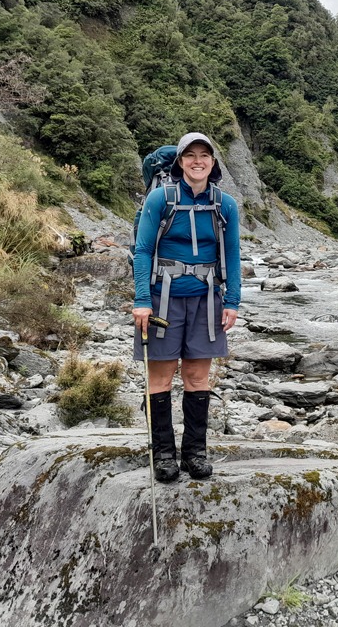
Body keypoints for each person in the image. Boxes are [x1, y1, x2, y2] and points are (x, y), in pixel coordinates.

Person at [131, 132, 241, 482]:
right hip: (162, 298)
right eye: (190, 155)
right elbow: (143, 250)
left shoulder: (225, 205)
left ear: (213, 162)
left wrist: (233, 300)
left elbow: (234, 254)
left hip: (207, 299)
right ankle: (162, 453)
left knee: (196, 376)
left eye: (204, 155)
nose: (197, 161)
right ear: (180, 162)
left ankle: (195, 452)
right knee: (160, 376)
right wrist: (141, 300)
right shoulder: (160, 200)